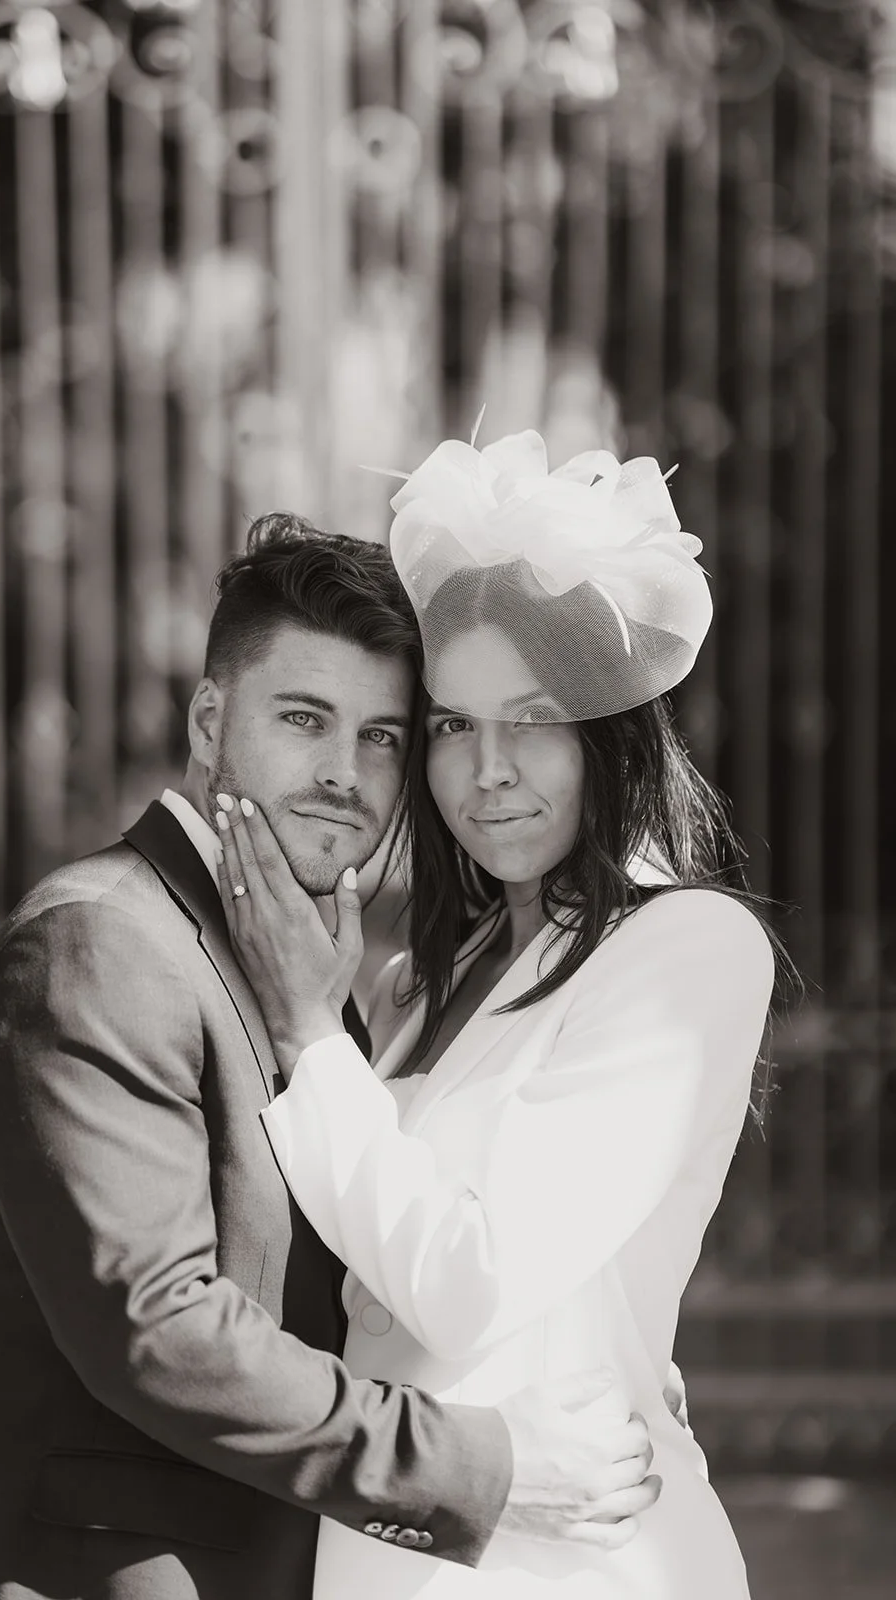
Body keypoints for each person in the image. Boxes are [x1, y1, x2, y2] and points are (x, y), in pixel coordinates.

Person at [0, 514, 662, 1600]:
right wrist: (482, 1463)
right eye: (303, 718)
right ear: (209, 720)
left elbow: (361, 1274)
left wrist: (567, 1359)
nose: (342, 773)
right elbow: (158, 1327)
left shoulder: (296, 974)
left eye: (382, 737)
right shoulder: (98, 944)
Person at [212, 431, 782, 1598]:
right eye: (451, 726)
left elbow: (467, 1279)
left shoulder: (684, 949)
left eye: (531, 718)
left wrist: (311, 1037)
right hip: (400, 1541)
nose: (488, 772)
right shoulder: (423, 979)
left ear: (610, 731)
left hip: (565, 1562)